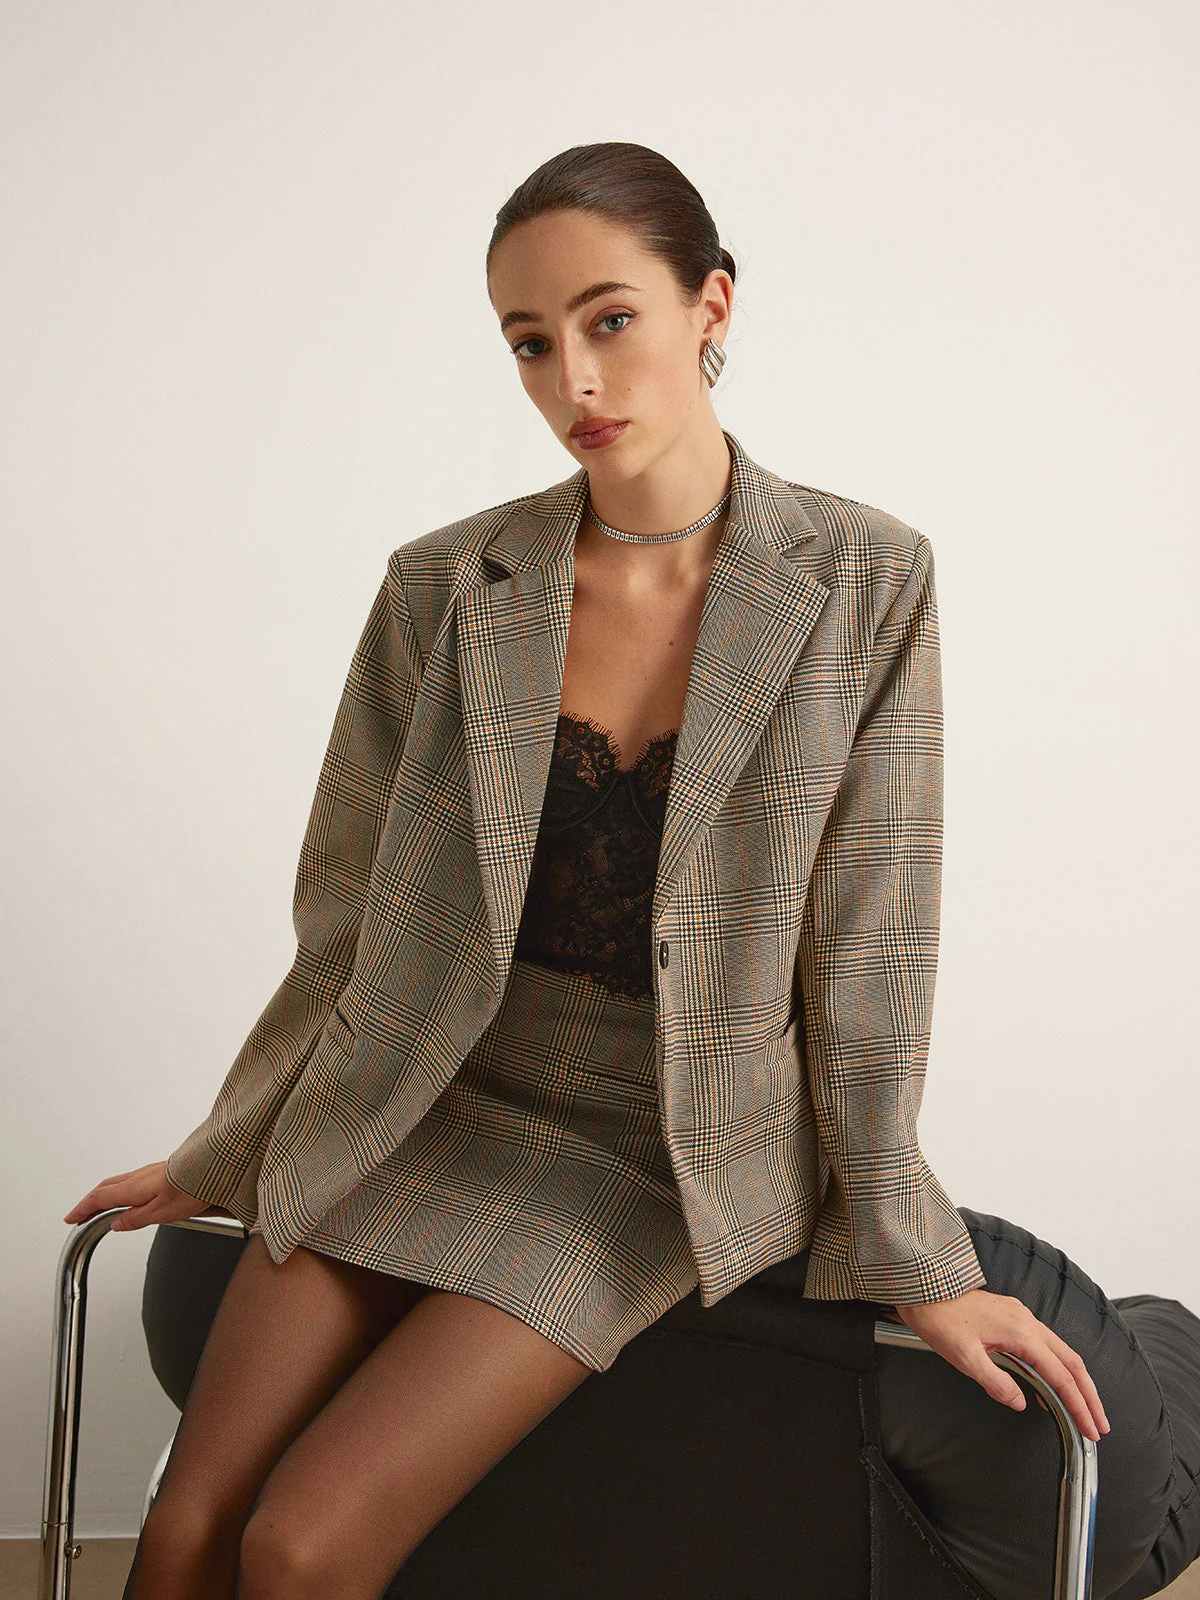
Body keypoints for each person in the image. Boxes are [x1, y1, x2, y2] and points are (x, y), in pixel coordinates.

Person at [66, 141, 1116, 1600]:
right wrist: (226, 1146)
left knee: (302, 1546)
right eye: (529, 342)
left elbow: (872, 953)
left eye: (609, 319)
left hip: (646, 1149)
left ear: (711, 306)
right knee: (185, 1536)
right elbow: (346, 921)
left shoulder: (865, 582)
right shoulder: (445, 586)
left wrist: (916, 1260)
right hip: (417, 1099)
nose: (575, 379)